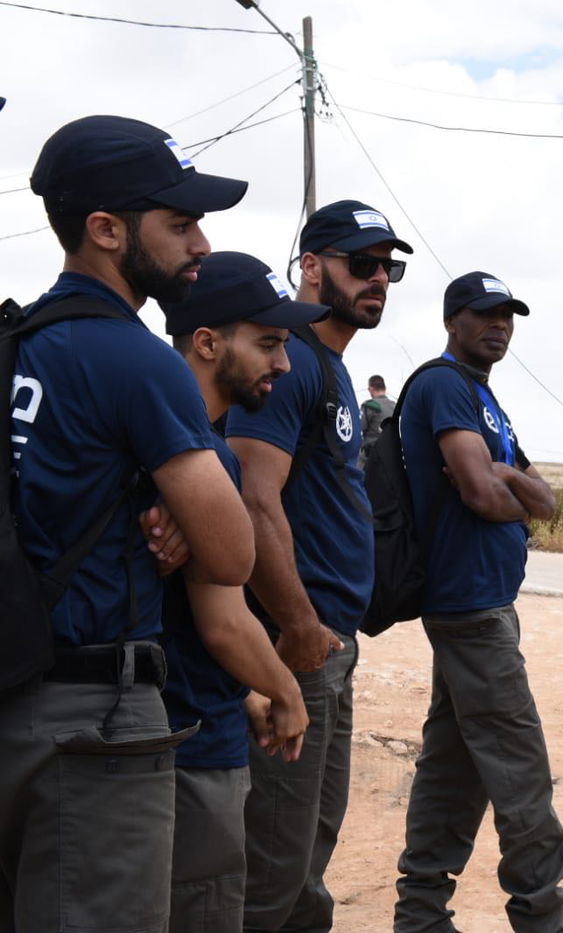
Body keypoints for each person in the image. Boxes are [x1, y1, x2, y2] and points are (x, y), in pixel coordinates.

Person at [3, 114, 254, 931]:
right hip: (95, 727)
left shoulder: (17, 345)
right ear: (106, 231)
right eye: (179, 223)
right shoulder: (136, 357)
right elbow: (231, 551)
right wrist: (176, 492)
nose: (202, 243)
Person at [224, 200, 412, 932]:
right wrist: (299, 624)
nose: (378, 281)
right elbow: (251, 494)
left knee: (307, 859)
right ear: (310, 266)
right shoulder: (293, 360)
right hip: (292, 645)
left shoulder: (327, 365)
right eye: (360, 264)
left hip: (328, 644)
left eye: (387, 268)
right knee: (273, 867)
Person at [393, 271, 563, 932]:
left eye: (507, 316)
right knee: (522, 772)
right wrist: (510, 491)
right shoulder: (442, 385)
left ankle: (420, 914)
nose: (499, 325)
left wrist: (515, 481)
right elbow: (479, 491)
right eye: (484, 314)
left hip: (487, 603)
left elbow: (546, 500)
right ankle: (543, 916)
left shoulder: (482, 398)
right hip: (469, 608)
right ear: (452, 321)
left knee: (454, 763)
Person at [159, 251, 326, 932]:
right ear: (206, 342)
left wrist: (247, 688)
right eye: (267, 344)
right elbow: (222, 617)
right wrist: (286, 692)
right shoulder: (201, 455)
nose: (282, 366)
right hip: (189, 745)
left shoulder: (160, 441)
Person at [359, 374, 396, 467]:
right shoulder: (395, 406)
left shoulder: (369, 406)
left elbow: (359, 430)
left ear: (370, 389)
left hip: (370, 457)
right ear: (385, 388)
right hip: (390, 456)